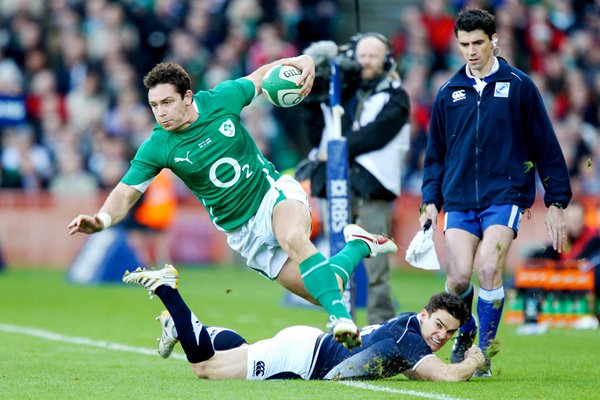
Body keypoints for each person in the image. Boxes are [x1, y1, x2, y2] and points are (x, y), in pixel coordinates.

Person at [67, 57, 399, 350]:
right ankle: (358, 245)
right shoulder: (159, 145)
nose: (161, 112)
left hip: (272, 194)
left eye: (167, 102)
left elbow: (262, 75)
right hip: (243, 232)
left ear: (187, 97)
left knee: (293, 238)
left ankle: (340, 319)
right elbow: (126, 191)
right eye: (155, 105)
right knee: (325, 285)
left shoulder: (222, 99)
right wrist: (102, 219)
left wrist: (303, 60)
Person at [420, 9, 572, 377]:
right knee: (457, 279)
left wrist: (556, 201)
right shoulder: (448, 92)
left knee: (488, 267)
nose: (471, 51)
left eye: (477, 43)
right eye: (464, 44)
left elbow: (545, 146)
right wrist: (430, 200)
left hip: (504, 195)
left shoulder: (519, 86)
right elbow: (435, 153)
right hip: (457, 196)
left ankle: (482, 354)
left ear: (494, 41)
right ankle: (466, 329)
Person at [122, 264, 486, 381]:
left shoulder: (410, 327)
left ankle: (183, 329)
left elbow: (411, 366)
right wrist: (474, 359)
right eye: (438, 325)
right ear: (424, 314)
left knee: (242, 352)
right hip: (302, 358)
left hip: (306, 348)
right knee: (205, 368)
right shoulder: (412, 338)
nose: (441, 336)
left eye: (449, 332)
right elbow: (450, 375)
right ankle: (169, 291)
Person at [301, 33, 411, 324]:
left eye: (373, 55)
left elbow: (376, 134)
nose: (365, 62)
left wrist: (337, 150)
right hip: (337, 183)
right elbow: (314, 132)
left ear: (386, 60)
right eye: (361, 55)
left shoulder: (396, 95)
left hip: (372, 186)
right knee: (337, 257)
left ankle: (379, 325)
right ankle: (340, 319)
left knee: (376, 264)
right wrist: (316, 84)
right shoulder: (341, 91)